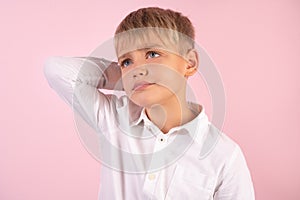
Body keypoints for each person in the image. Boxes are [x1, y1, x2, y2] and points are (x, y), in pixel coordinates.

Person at [44, 7, 255, 200]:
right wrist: (126, 79)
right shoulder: (114, 119)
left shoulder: (224, 155)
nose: (138, 69)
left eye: (152, 54)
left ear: (189, 63)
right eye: (127, 61)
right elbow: (56, 70)